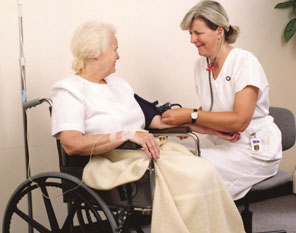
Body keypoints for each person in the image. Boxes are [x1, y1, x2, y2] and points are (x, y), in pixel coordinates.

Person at [50, 21, 245, 233]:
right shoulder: (69, 91)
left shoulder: (120, 85)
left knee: (205, 170)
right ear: (96, 53)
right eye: (114, 49)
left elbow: (159, 120)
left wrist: (209, 129)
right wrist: (127, 134)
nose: (118, 56)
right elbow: (72, 144)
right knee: (193, 179)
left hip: (146, 154)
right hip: (111, 160)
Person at [161, 0, 282, 200]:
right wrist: (186, 122)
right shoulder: (201, 65)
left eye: (198, 33)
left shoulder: (244, 62)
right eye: (190, 34)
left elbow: (240, 121)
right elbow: (211, 108)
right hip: (221, 141)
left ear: (219, 31)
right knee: (170, 154)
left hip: (252, 149)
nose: (192, 39)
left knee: (190, 167)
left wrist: (191, 114)